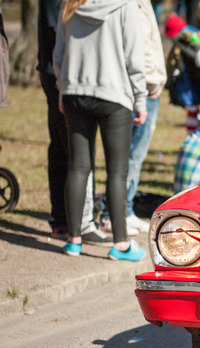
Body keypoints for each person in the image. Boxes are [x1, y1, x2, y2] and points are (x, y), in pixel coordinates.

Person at [53, 0, 148, 261]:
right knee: (117, 171)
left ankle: (73, 241)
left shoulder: (70, 4)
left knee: (78, 167)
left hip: (75, 92)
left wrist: (63, 88)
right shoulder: (126, 5)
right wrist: (140, 99)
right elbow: (134, 57)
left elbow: (58, 53)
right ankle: (121, 244)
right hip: (114, 94)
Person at [38, 0, 113, 245]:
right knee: (74, 151)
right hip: (64, 74)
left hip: (59, 71)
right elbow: (58, 30)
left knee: (64, 147)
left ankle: (65, 219)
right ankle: (78, 224)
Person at [99, 0, 167, 236]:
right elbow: (139, 49)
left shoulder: (142, 4)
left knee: (135, 156)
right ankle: (113, 214)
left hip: (147, 87)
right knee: (128, 156)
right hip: (140, 89)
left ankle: (125, 210)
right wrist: (148, 81)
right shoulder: (132, 5)